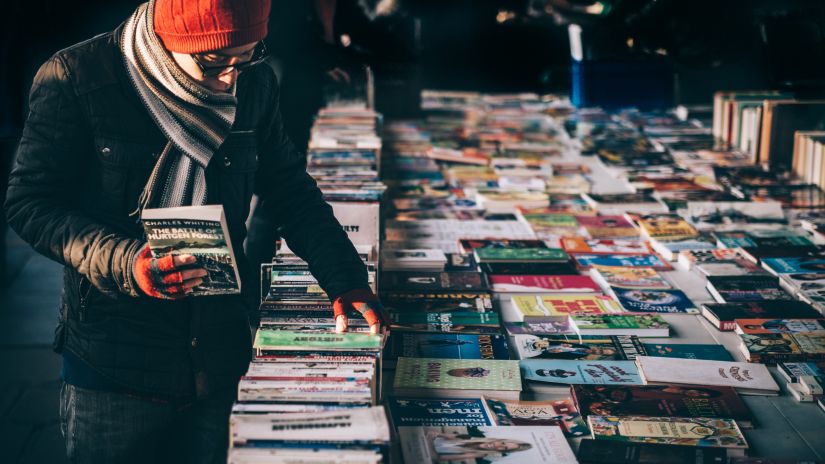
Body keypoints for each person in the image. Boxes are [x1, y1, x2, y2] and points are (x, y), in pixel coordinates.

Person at [4, 0, 384, 462]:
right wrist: (127, 261)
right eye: (213, 61)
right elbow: (30, 203)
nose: (229, 80)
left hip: (219, 356)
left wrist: (344, 277)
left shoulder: (255, 83)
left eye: (246, 56)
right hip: (115, 364)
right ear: (171, 35)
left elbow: (289, 188)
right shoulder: (76, 77)